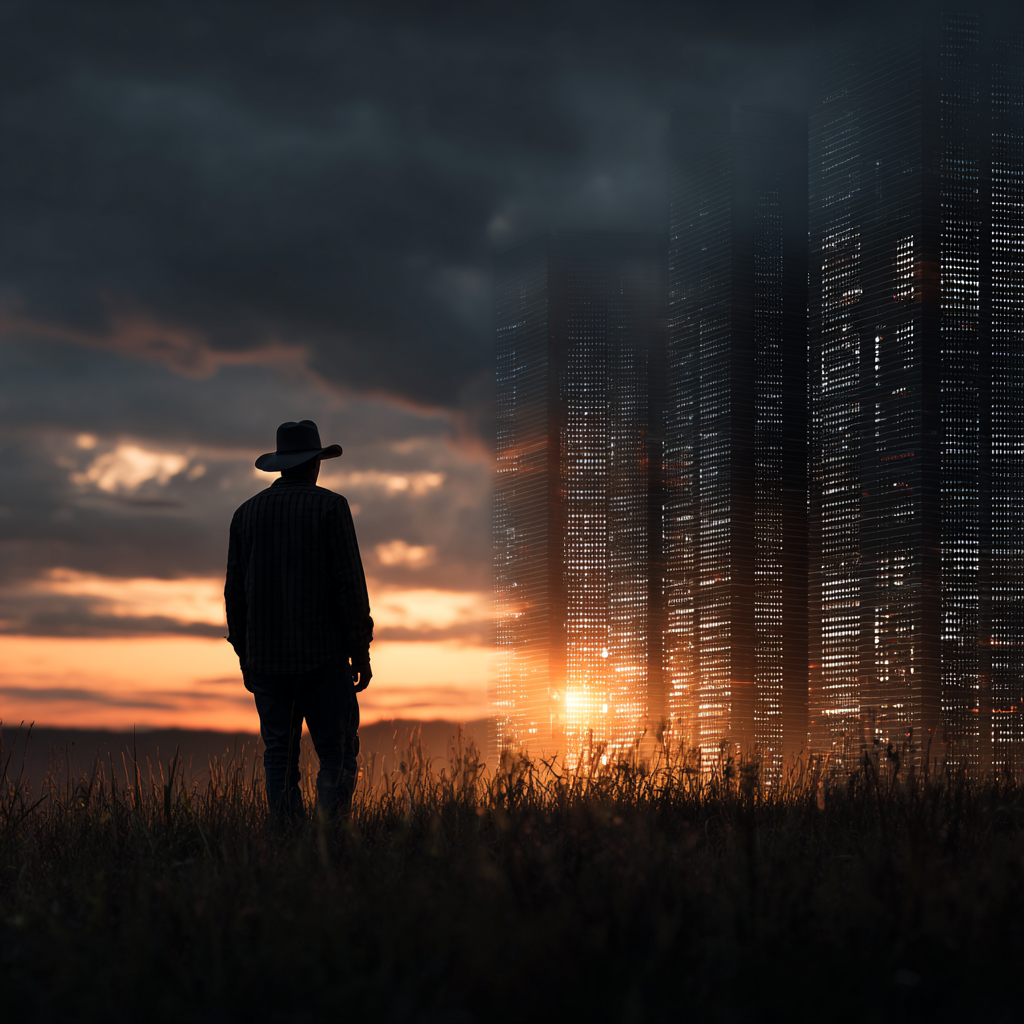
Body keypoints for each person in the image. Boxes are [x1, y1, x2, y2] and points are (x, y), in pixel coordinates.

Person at [224, 420, 373, 819]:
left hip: (266, 660)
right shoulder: (331, 507)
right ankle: (329, 840)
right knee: (337, 753)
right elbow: (350, 586)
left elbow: (234, 594)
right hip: (322, 657)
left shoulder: (245, 514)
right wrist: (360, 652)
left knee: (279, 755)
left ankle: (287, 843)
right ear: (314, 463)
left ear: (282, 464)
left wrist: (245, 657)